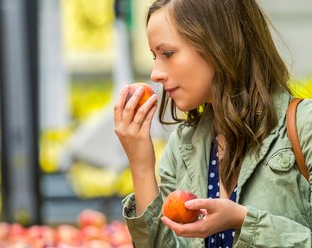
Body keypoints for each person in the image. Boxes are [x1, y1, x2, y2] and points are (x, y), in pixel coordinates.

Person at [114, 0, 312, 247]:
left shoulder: (304, 126)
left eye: (167, 53)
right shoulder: (182, 145)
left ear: (218, 44)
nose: (155, 73)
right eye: (155, 56)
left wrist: (243, 221)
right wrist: (141, 165)